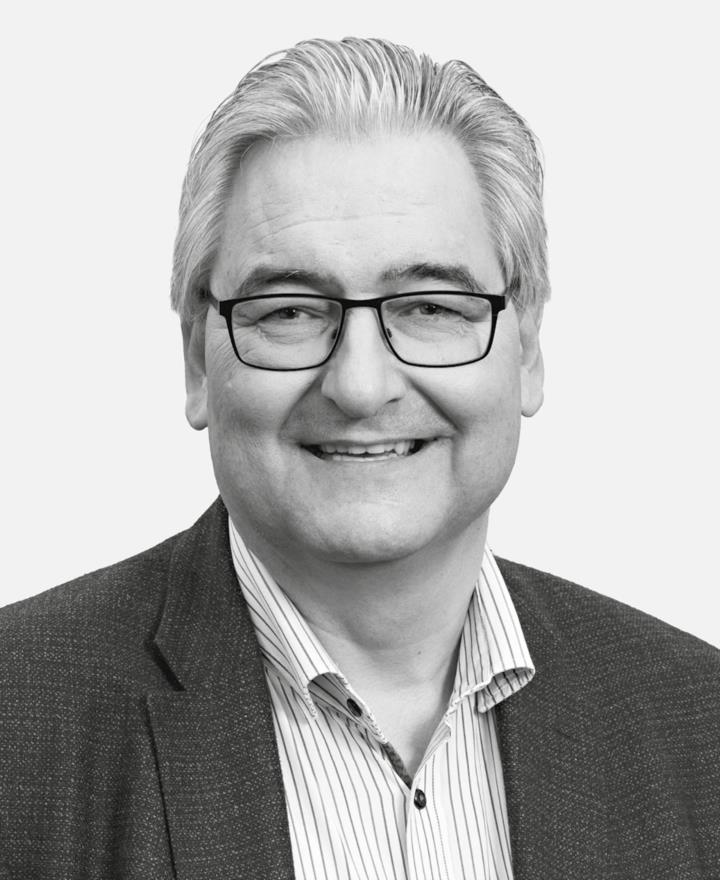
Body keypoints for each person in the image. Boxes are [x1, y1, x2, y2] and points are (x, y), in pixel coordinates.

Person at [0, 37, 718, 880]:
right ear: (198, 359)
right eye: (290, 311)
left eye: (430, 306)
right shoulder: (19, 724)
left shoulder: (699, 726)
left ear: (525, 349)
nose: (360, 385)